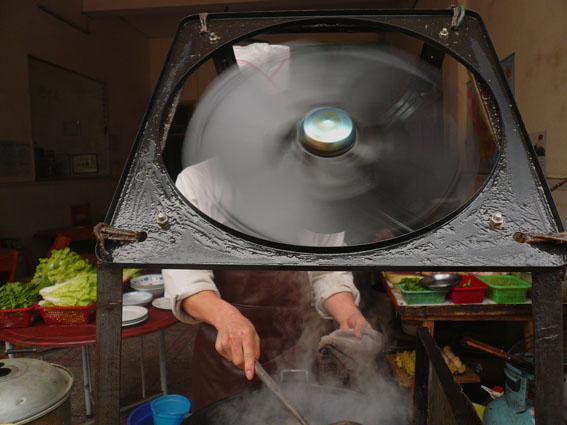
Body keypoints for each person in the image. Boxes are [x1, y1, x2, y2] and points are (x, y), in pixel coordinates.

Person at [163, 160, 372, 411]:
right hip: (227, 362)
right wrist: (225, 316)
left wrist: (347, 313)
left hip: (299, 355)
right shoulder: (199, 181)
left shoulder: (316, 184)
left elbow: (327, 269)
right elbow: (185, 276)